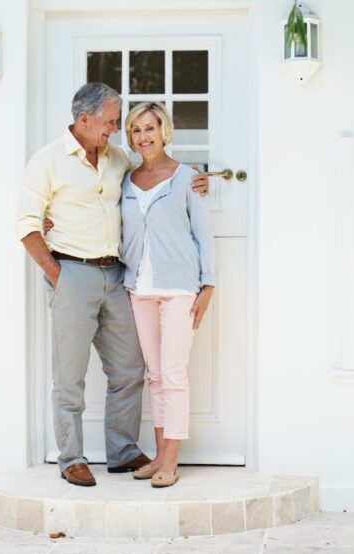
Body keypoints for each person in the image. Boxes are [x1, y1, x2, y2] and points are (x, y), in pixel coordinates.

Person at [15, 83, 208, 487]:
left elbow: (156, 172)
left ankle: (122, 451)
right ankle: (71, 457)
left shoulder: (117, 158)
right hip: (73, 273)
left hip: (120, 274)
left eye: (120, 122)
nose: (117, 130)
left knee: (130, 368)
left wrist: (196, 180)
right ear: (83, 120)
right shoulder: (47, 161)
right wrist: (58, 275)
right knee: (69, 374)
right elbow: (27, 225)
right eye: (110, 122)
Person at [118, 102, 216, 488]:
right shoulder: (125, 181)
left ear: (164, 131)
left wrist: (207, 286)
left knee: (173, 375)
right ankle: (159, 455)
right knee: (155, 375)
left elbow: (203, 235)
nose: (144, 136)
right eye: (136, 130)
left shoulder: (187, 178)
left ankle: (171, 461)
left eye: (149, 128)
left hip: (179, 288)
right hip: (139, 288)